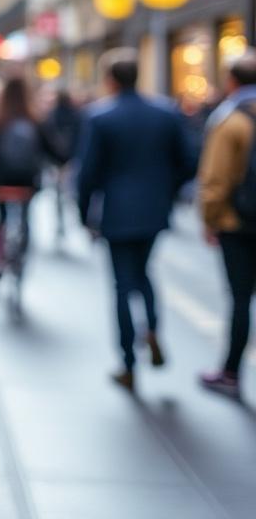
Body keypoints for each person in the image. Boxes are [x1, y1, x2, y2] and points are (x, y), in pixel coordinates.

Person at [77, 49, 191, 392]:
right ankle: (153, 328)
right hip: (154, 209)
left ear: (110, 79)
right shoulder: (166, 113)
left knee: (122, 285)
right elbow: (187, 161)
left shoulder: (101, 117)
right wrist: (166, 191)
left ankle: (128, 362)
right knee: (144, 273)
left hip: (117, 212)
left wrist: (85, 215)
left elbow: (88, 173)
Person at [0, 76, 65, 294]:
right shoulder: (37, 119)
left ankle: (0, 259)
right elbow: (57, 152)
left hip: (1, 181)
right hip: (28, 183)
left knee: (2, 218)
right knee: (26, 219)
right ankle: (20, 257)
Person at [195, 50, 256, 398]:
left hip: (238, 224)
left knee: (240, 299)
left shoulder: (229, 119)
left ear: (232, 80)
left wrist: (210, 220)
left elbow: (215, 180)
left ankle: (231, 372)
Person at [46, 87, 82, 239]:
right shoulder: (76, 115)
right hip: (71, 158)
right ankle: (69, 217)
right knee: (70, 191)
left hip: (58, 160)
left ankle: (60, 219)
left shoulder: (52, 115)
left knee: (59, 192)